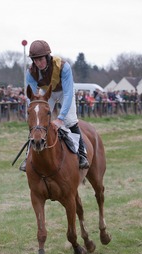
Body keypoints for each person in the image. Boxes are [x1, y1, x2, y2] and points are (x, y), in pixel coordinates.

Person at [19, 40, 89, 171]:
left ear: (47, 56)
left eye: (41, 59)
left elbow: (68, 94)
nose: (38, 63)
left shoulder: (63, 66)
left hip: (64, 92)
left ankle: (82, 154)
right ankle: (28, 156)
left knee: (70, 121)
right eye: (35, 60)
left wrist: (60, 118)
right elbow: (32, 98)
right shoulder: (31, 73)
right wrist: (33, 113)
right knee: (37, 121)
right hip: (47, 93)